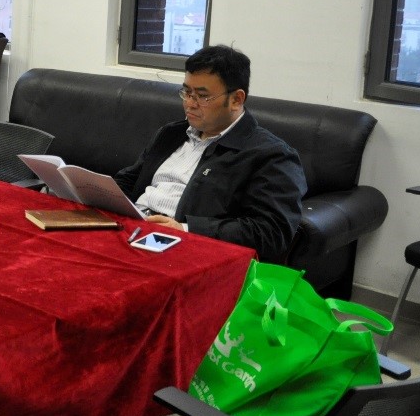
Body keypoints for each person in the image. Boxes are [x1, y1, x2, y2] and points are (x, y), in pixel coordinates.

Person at [113, 44, 306, 262]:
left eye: (202, 96)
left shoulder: (271, 155)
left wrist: (186, 229)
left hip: (184, 248)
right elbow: (131, 180)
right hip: (132, 229)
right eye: (187, 92)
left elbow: (272, 232)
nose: (189, 103)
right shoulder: (171, 134)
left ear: (236, 100)